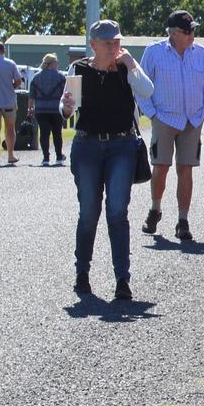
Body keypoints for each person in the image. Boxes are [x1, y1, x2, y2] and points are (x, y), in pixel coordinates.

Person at [61, 20, 154, 299]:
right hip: (88, 144)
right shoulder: (78, 69)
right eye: (108, 43)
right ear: (93, 45)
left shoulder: (127, 69)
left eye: (117, 42)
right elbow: (67, 108)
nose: (115, 47)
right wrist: (65, 107)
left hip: (122, 146)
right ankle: (82, 273)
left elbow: (147, 91)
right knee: (89, 211)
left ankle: (122, 279)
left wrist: (132, 64)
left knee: (117, 211)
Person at [138, 10, 204, 242]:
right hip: (164, 118)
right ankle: (155, 208)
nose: (192, 34)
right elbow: (140, 86)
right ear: (172, 34)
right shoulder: (154, 52)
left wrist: (202, 114)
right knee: (161, 166)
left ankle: (183, 220)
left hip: (192, 120)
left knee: (186, 168)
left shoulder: (200, 53)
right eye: (187, 30)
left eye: (193, 29)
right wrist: (152, 114)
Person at [28, 53, 67, 165]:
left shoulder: (36, 77)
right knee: (57, 133)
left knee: (44, 133)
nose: (58, 64)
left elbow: (31, 95)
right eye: (57, 62)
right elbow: (65, 93)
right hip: (56, 109)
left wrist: (30, 108)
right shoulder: (60, 77)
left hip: (41, 109)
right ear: (52, 64)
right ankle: (59, 156)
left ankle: (46, 158)